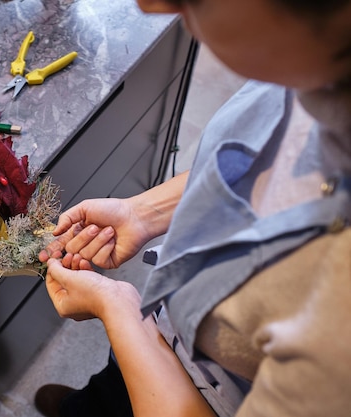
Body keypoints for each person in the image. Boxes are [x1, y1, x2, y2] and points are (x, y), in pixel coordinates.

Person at [35, 0, 351, 416]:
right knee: (101, 398)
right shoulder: (303, 58)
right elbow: (255, 164)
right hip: (166, 330)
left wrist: (119, 311)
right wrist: (145, 212)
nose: (149, 5)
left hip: (204, 398)